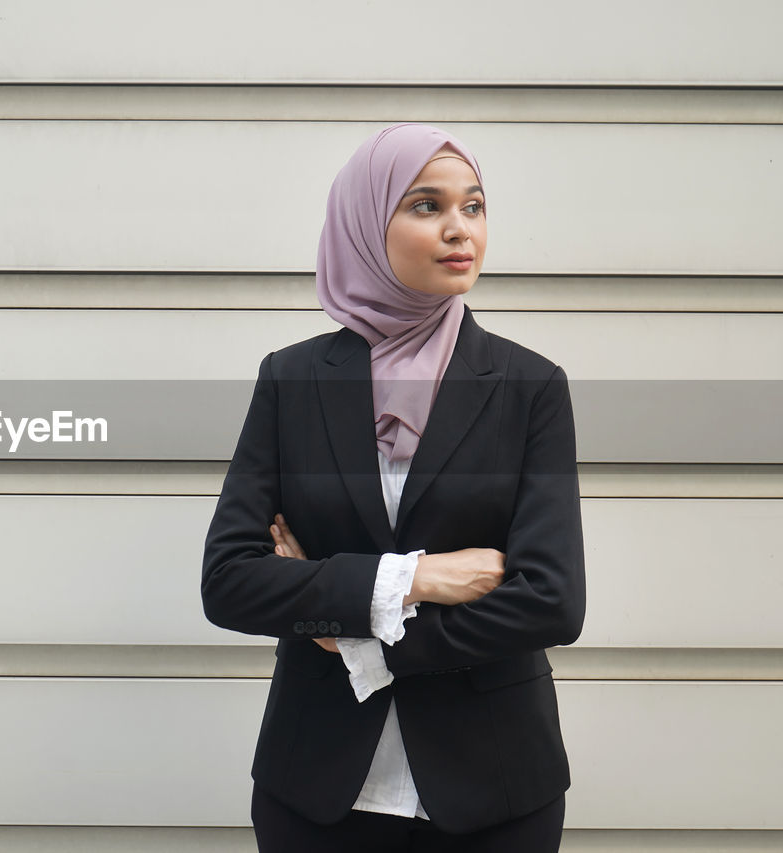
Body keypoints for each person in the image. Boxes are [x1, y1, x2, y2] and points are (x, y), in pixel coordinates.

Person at [201, 123, 585, 852]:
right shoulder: (294, 379)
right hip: (314, 786)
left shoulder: (528, 385)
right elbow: (229, 581)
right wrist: (417, 578)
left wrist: (356, 639)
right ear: (363, 224)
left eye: (473, 206)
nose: (457, 228)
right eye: (424, 205)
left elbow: (551, 600)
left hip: (495, 788)